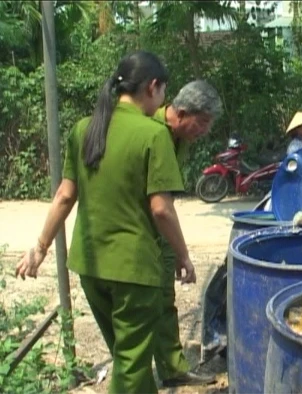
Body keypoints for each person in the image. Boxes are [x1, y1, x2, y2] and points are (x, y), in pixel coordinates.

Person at [15, 51, 195, 394]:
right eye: (163, 92)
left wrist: (39, 248)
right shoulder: (153, 135)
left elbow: (64, 197)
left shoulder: (85, 128)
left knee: (131, 362)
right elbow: (161, 210)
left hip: (91, 268)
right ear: (153, 87)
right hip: (133, 272)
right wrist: (183, 256)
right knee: (130, 367)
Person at [152, 80, 222, 388]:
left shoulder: (180, 138)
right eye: (203, 122)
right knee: (142, 308)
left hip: (161, 232)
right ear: (181, 112)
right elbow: (157, 206)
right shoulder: (148, 130)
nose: (205, 131)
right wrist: (183, 253)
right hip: (139, 232)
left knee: (166, 302)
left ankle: (172, 369)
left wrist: (175, 250)